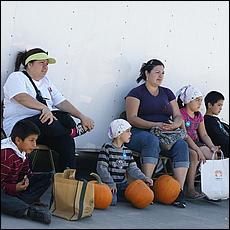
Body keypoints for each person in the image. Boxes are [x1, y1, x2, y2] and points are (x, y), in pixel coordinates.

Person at [2, 47, 95, 172]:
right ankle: (70, 132)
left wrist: (82, 117)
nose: (45, 67)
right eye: (41, 63)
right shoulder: (17, 77)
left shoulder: (46, 82)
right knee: (47, 119)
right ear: (29, 64)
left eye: (47, 64)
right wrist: (44, 108)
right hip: (20, 128)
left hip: (44, 130)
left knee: (66, 136)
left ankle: (67, 180)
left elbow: (61, 102)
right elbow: (21, 97)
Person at [125, 59, 189, 208]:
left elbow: (178, 115)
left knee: (181, 145)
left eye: (163, 73)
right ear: (147, 73)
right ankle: (146, 186)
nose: (161, 76)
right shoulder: (136, 93)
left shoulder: (167, 93)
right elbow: (132, 118)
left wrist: (174, 124)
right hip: (140, 132)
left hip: (165, 133)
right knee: (151, 140)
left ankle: (177, 192)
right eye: (157, 72)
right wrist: (156, 125)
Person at [1, 120, 52, 224]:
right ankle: (28, 211)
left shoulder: (22, 150)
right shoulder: (6, 155)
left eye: (35, 140)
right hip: (4, 188)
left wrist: (27, 179)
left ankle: (16, 203)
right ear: (18, 140)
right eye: (31, 140)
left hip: (13, 186)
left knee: (48, 177)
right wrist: (14, 188)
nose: (34, 145)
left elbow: (26, 171)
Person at [176, 85, 221, 199]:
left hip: (196, 143)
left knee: (213, 155)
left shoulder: (198, 115)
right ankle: (190, 189)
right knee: (195, 155)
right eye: (197, 100)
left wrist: (212, 146)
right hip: (184, 143)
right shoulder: (181, 114)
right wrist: (197, 150)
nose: (200, 103)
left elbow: (204, 134)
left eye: (201, 100)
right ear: (188, 100)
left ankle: (212, 189)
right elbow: (185, 135)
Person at [96, 119, 153, 206]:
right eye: (127, 131)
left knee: (140, 196)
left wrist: (144, 178)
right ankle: (118, 196)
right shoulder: (107, 148)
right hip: (109, 183)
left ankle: (126, 196)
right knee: (111, 201)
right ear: (119, 134)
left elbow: (133, 168)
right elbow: (101, 168)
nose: (130, 134)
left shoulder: (127, 151)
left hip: (123, 184)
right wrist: (110, 183)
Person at [204, 91, 229, 157]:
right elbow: (218, 137)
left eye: (221, 105)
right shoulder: (207, 120)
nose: (221, 108)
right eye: (219, 105)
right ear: (209, 105)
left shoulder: (216, 120)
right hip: (223, 148)